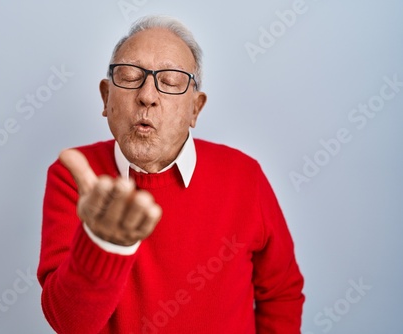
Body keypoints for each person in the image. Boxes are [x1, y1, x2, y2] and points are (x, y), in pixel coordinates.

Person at [37, 15, 304, 334]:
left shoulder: (244, 176)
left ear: (195, 108)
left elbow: (281, 292)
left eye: (170, 82)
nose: (147, 96)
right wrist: (103, 244)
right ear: (106, 98)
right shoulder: (75, 177)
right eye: (130, 76)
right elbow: (69, 324)